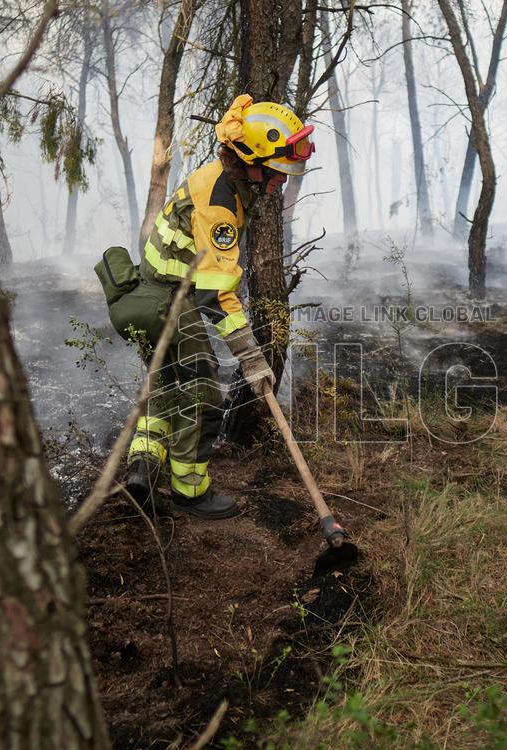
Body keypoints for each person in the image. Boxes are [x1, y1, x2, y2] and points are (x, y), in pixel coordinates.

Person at [103, 94, 315, 519]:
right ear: (251, 159)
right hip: (168, 301)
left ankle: (143, 471)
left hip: (148, 294)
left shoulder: (225, 181)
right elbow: (214, 294)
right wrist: (251, 358)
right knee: (202, 396)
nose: (281, 180)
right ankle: (190, 492)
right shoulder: (219, 201)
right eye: (277, 169)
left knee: (166, 390)